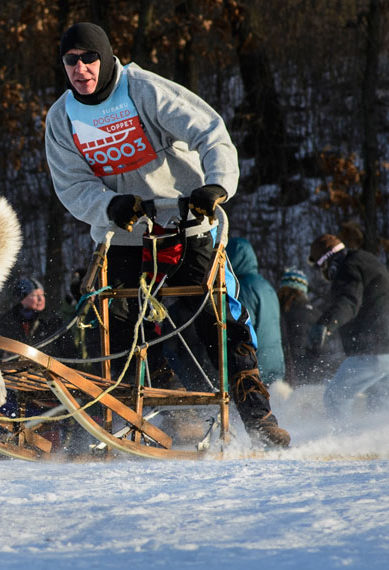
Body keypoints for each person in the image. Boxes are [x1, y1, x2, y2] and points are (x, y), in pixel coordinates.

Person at [44, 22, 290, 447]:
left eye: (89, 58)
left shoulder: (143, 90)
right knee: (118, 324)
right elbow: (71, 185)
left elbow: (209, 131)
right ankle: (149, 416)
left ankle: (259, 417)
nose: (81, 69)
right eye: (71, 61)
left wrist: (216, 185)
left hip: (186, 221)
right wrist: (107, 205)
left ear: (105, 58)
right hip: (124, 233)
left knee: (217, 319)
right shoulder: (61, 117)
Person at [306, 234, 389, 419]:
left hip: (370, 350)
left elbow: (349, 301)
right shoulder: (368, 260)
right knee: (379, 408)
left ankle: (343, 443)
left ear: (326, 263)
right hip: (385, 350)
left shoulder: (346, 267)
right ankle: (375, 444)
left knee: (335, 397)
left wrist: (325, 324)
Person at [225, 237, 285, 385]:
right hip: (275, 362)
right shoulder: (265, 285)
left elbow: (241, 328)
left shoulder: (242, 288)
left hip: (256, 366)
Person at [0, 276, 74, 358]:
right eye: (34, 295)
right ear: (22, 299)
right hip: (12, 369)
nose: (41, 299)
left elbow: (69, 353)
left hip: (48, 369)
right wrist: (3, 355)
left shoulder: (53, 321)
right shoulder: (6, 322)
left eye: (42, 294)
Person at [277, 267, 321, 386]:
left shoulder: (284, 311)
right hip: (312, 370)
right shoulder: (316, 313)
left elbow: (290, 346)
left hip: (291, 371)